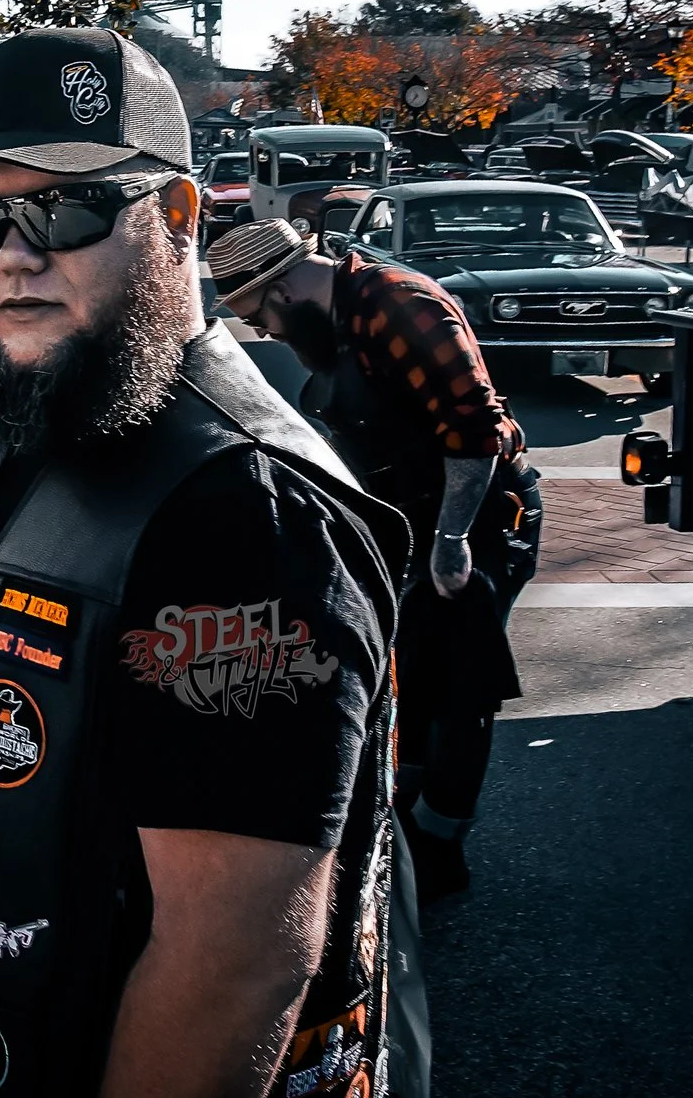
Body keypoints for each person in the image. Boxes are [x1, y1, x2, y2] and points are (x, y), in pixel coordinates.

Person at [0, 29, 404, 1098]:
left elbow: (233, 964)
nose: (13, 255)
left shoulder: (240, 514)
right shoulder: (53, 411)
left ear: (181, 219)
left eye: (65, 209)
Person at [209, 217, 536, 901]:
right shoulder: (336, 324)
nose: (264, 334)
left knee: (460, 691)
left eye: (259, 318)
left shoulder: (400, 304)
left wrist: (452, 541)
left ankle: (442, 846)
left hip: (475, 519)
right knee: (411, 671)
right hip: (412, 519)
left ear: (288, 288)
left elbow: (475, 431)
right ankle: (405, 821)